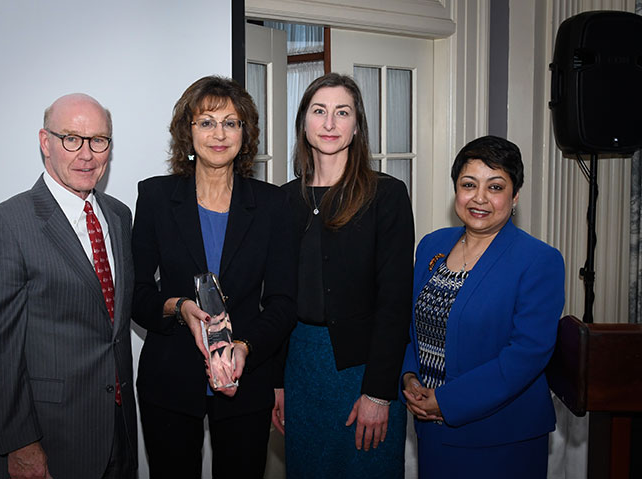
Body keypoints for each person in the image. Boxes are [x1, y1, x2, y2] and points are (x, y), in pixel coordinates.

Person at [131, 75, 297, 478]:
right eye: (206, 122)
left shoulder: (273, 205)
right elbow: (136, 294)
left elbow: (282, 302)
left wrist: (244, 347)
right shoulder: (155, 197)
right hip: (169, 377)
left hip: (247, 380)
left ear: (245, 132)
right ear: (188, 133)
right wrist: (179, 307)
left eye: (231, 122)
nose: (218, 134)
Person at [0, 93, 138, 479]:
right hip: (50, 439)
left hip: (121, 430)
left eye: (99, 140)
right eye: (71, 138)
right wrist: (19, 443)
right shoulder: (5, 225)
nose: (87, 154)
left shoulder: (118, 216)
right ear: (46, 142)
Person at [401, 135, 565, 478]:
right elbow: (411, 326)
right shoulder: (432, 245)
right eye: (469, 184)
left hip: (501, 439)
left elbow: (526, 355)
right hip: (432, 432)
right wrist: (409, 375)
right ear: (456, 190)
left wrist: (447, 402)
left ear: (515, 195)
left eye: (495, 187)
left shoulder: (539, 260)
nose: (479, 198)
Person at [277, 73, 415, 478]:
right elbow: (277, 298)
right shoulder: (284, 199)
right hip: (300, 368)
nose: (330, 123)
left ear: (357, 126)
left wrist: (378, 392)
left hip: (363, 369)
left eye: (342, 113)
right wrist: (276, 382)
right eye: (319, 112)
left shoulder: (385, 195)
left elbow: (395, 301)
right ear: (304, 123)